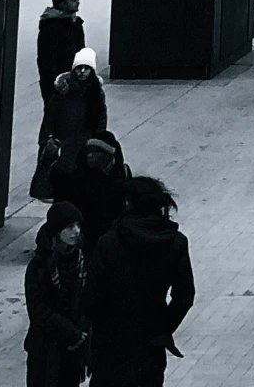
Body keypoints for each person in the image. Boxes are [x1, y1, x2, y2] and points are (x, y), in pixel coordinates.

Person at [87, 175, 196, 386]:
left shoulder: (109, 243)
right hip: (151, 343)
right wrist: (163, 327)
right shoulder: (176, 242)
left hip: (112, 343)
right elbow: (185, 296)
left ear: (128, 204)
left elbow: (91, 297)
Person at [24, 200, 90, 387]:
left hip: (73, 350)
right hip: (45, 351)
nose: (76, 231)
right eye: (70, 227)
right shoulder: (40, 265)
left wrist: (82, 331)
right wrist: (71, 332)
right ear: (56, 231)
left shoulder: (81, 259)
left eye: (78, 225)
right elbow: (37, 310)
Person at [48, 136, 132, 250]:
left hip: (114, 234)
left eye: (96, 152)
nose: (90, 155)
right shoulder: (77, 177)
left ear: (108, 154)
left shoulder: (123, 172)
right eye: (88, 151)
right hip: (87, 235)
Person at [43, 47, 108, 165]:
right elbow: (50, 117)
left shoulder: (96, 94)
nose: (82, 71)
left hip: (85, 145)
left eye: (87, 68)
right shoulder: (63, 91)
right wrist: (46, 141)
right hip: (63, 145)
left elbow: (101, 120)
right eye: (79, 68)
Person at [35, 0, 86, 113]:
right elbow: (47, 59)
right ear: (62, 4)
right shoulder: (51, 27)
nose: (78, 2)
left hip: (75, 78)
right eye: (73, 0)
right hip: (59, 81)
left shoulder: (75, 23)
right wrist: (56, 83)